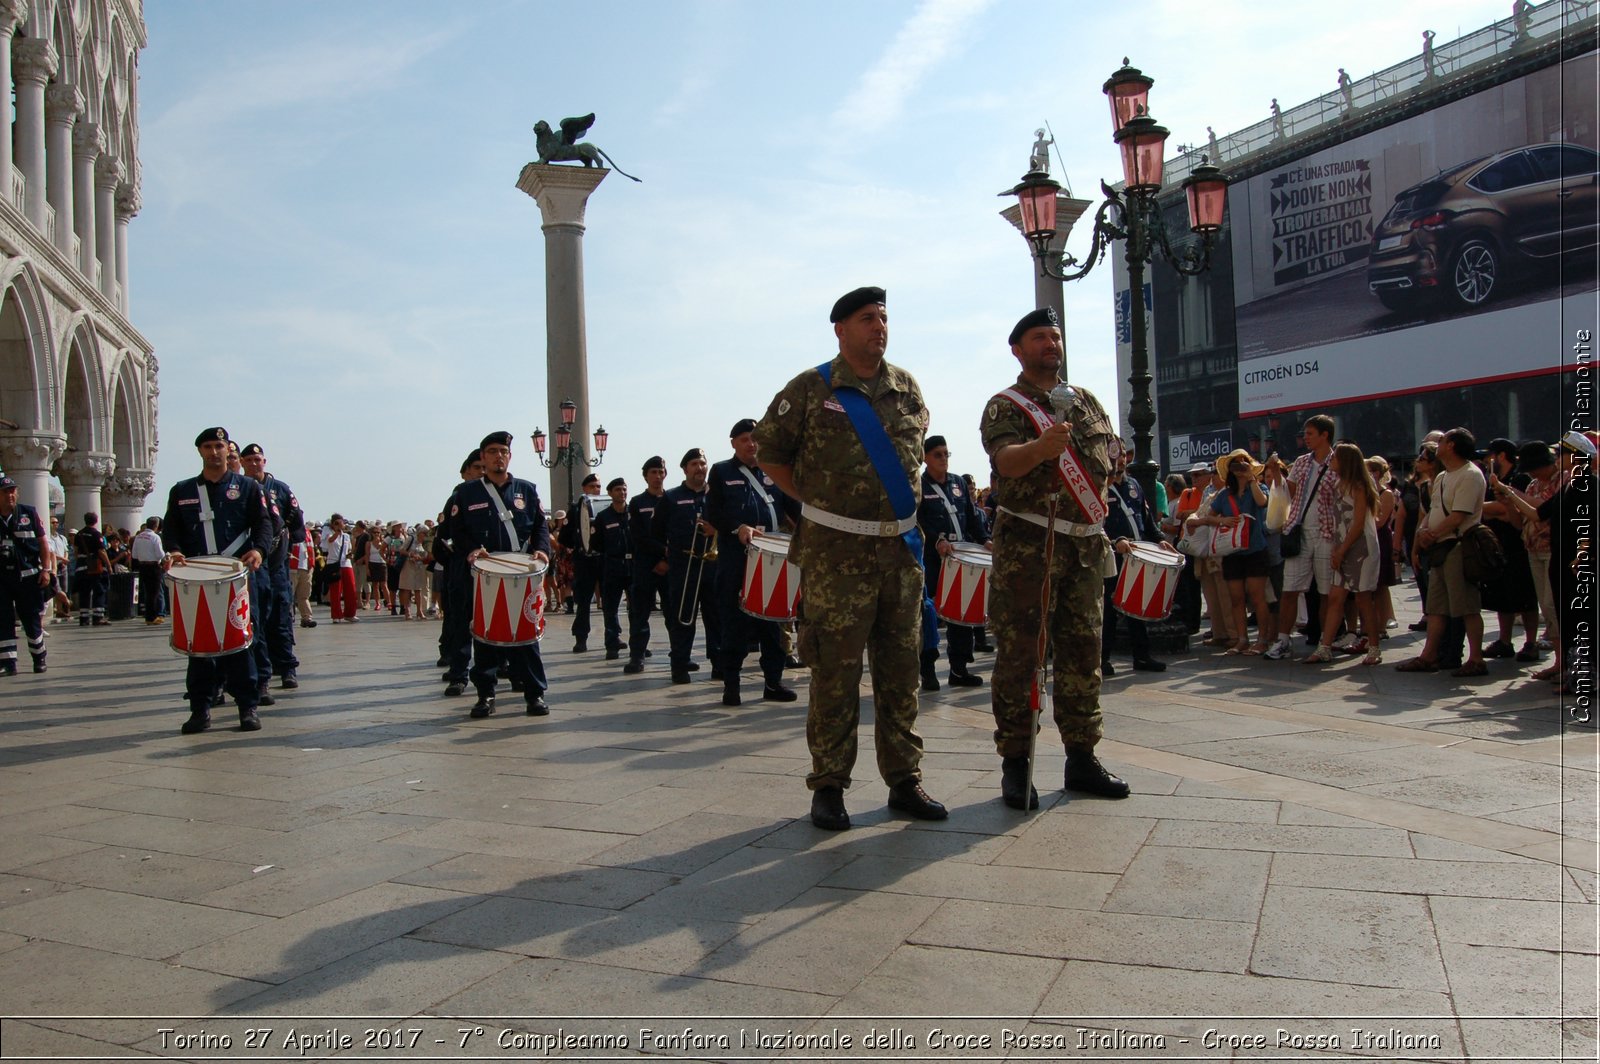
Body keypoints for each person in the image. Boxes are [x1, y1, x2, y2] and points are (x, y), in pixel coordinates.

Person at [755, 286, 946, 829]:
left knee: (901, 672)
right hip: (836, 559)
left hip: (899, 556)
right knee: (835, 674)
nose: (878, 327)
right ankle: (830, 786)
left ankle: (905, 781)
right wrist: (816, 503)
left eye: (883, 318)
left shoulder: (906, 388)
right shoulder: (812, 389)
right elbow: (770, 451)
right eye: (867, 319)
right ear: (840, 329)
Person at [979, 306, 1129, 811]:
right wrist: (1041, 447)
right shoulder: (1007, 406)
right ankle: (1016, 763)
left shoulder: (1084, 401)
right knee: (1022, 656)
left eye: (1055, 337)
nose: (1051, 344)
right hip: (1030, 545)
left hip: (1084, 546)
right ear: (1018, 349)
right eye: (1040, 338)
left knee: (1083, 652)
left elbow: (1107, 460)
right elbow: (1005, 462)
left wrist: (1117, 460)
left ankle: (1082, 757)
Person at [160, 427, 273, 733]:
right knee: (199, 648)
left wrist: (259, 550)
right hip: (197, 579)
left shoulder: (248, 487)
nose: (214, 452)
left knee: (241, 641)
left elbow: (264, 524)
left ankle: (247, 707)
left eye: (219, 446)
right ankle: (200, 709)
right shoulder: (182, 490)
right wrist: (174, 551)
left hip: (236, 577)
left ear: (227, 450)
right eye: (208, 446)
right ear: (200, 451)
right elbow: (171, 529)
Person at [442, 431, 551, 718]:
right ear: (483, 457)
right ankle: (486, 694)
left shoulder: (527, 490)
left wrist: (541, 550)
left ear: (509, 456)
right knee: (486, 635)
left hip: (521, 572)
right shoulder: (466, 494)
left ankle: (534, 694)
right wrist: (470, 551)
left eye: (503, 451)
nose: (498, 456)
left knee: (526, 634)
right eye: (492, 451)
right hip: (485, 574)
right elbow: (457, 531)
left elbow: (540, 525)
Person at [708, 418, 800, 707]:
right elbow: (714, 513)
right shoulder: (722, 472)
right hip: (738, 557)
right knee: (734, 623)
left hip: (773, 555)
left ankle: (773, 682)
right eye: (745, 438)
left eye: (755, 438)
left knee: (772, 623)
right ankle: (732, 685)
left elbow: (795, 509)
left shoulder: (774, 471)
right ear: (734, 443)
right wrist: (739, 528)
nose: (752, 443)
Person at [1397, 427, 1487, 676]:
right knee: (1436, 607)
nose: (1439, 446)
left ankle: (1477, 658)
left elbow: (1460, 515)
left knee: (1467, 606)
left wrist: (1431, 534)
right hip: (1439, 547)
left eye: (1444, 441)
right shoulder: (1442, 476)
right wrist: (1423, 534)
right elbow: (1432, 511)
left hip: (1458, 545)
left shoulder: (1470, 474)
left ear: (1453, 446)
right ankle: (1428, 655)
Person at [917, 434, 990, 689]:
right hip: (932, 559)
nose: (943, 459)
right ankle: (927, 668)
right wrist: (936, 540)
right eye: (938, 454)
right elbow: (917, 522)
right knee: (927, 614)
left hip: (959, 557)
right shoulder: (919, 485)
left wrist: (985, 540)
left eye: (946, 454)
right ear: (925, 457)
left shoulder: (958, 483)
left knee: (961, 614)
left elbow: (971, 518)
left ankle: (959, 669)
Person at [1302, 443, 1383, 666]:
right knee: (1336, 596)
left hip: (1360, 547)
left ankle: (1374, 646)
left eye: (1335, 457)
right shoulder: (1339, 484)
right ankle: (1324, 647)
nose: (1331, 460)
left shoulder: (1359, 486)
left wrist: (1342, 549)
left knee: (1363, 597)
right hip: (1343, 545)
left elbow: (1358, 524)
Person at [1266, 415, 1340, 659]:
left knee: (1326, 591)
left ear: (1324, 435)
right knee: (1290, 588)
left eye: (1310, 434)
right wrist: (1277, 475)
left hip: (1328, 531)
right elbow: (1290, 493)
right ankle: (1283, 640)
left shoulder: (1338, 461)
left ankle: (1324, 642)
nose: (1305, 438)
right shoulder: (1301, 462)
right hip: (1299, 530)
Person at [239, 443, 303, 692]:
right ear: (243, 463)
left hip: (276, 562)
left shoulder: (279, 489)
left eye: (258, 460)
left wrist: (280, 533)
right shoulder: (240, 488)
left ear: (265, 461)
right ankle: (259, 671)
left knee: (280, 617)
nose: (255, 464)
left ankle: (287, 667)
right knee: (255, 619)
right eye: (250, 460)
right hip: (251, 564)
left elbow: (295, 517)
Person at [654, 448, 721, 684]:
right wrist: (663, 557)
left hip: (712, 566)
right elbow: (656, 532)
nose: (699, 468)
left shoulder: (716, 496)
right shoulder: (671, 498)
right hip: (684, 565)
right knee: (682, 617)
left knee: (716, 618)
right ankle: (680, 665)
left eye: (702, 464)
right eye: (694, 464)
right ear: (685, 469)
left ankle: (719, 664)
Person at [1197, 449, 1274, 655]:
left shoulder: (1258, 487)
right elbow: (1208, 517)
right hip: (1232, 551)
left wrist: (1251, 478)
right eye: (1235, 463)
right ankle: (1242, 639)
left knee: (1257, 597)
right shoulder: (1224, 494)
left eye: (1244, 462)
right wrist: (1222, 520)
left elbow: (1261, 502)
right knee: (1236, 598)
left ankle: (1262, 639)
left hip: (1255, 548)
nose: (1240, 466)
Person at [1102, 440, 1170, 674]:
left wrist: (1160, 539)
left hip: (1136, 555)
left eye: (1122, 454)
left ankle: (1142, 657)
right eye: (1115, 454)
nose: (1120, 459)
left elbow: (1146, 518)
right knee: (1108, 610)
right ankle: (1102, 659)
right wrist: (1115, 541)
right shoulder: (1100, 485)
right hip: (1112, 556)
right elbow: (1096, 524)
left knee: (1136, 608)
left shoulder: (1134, 485)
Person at [437, 448, 482, 694]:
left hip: (490, 571)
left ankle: (501, 667)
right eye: (476, 468)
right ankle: (459, 673)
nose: (481, 473)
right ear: (465, 472)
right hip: (463, 570)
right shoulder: (458, 498)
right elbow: (443, 538)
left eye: (483, 468)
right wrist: (456, 562)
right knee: (460, 622)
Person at [0, 474, 51, 674]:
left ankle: (39, 658)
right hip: (3, 579)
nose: (10, 495)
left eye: (13, 491)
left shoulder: (28, 513)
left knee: (31, 619)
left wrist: (46, 569)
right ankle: (8, 663)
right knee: (3, 620)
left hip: (28, 577)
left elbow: (42, 543)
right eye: (5, 492)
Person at [624, 457, 670, 674]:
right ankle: (637, 655)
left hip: (669, 565)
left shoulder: (672, 499)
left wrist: (667, 559)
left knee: (673, 612)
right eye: (653, 472)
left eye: (660, 472)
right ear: (645, 476)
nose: (657, 476)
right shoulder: (637, 502)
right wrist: (661, 553)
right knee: (640, 613)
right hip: (645, 565)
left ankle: (679, 654)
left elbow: (677, 533)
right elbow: (638, 536)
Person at [560, 473, 605, 648]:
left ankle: (612, 638)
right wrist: (579, 544)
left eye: (598, 486)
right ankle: (581, 637)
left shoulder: (603, 508)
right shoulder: (576, 509)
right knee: (584, 602)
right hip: (584, 561)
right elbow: (564, 537)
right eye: (592, 486)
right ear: (584, 488)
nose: (596, 489)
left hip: (602, 559)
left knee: (608, 601)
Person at [592, 477, 631, 660]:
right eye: (617, 490)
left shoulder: (634, 513)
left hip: (633, 565)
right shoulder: (603, 517)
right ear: (610, 493)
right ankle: (612, 642)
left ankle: (638, 643)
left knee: (638, 607)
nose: (621, 493)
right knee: (611, 607)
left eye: (624, 490)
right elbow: (596, 543)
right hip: (612, 565)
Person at [73, 512, 111, 626]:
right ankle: (97, 617)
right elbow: (101, 551)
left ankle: (83, 618)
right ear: (96, 521)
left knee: (84, 592)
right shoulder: (96, 534)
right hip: (95, 567)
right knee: (99, 591)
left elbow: (75, 551)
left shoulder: (78, 534)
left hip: (81, 567)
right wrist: (108, 565)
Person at [321, 514, 359, 622]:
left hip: (346, 564)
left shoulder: (346, 536)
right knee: (336, 590)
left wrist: (350, 554)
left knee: (351, 589)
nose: (339, 524)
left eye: (340, 522)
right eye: (336, 523)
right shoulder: (328, 533)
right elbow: (330, 541)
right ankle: (336, 615)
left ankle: (350, 613)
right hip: (333, 563)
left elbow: (349, 549)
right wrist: (337, 532)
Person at [131, 516, 167, 625]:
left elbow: (134, 554)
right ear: (156, 526)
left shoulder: (138, 537)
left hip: (142, 566)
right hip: (153, 566)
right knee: (155, 592)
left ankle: (148, 616)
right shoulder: (155, 537)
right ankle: (153, 616)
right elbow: (160, 554)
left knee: (147, 592)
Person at [287, 523, 317, 629]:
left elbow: (311, 549)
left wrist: (312, 565)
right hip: (292, 567)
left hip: (305, 567)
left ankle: (306, 618)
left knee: (304, 595)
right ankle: (288, 617)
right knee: (289, 595)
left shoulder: (307, 532)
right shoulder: (287, 530)